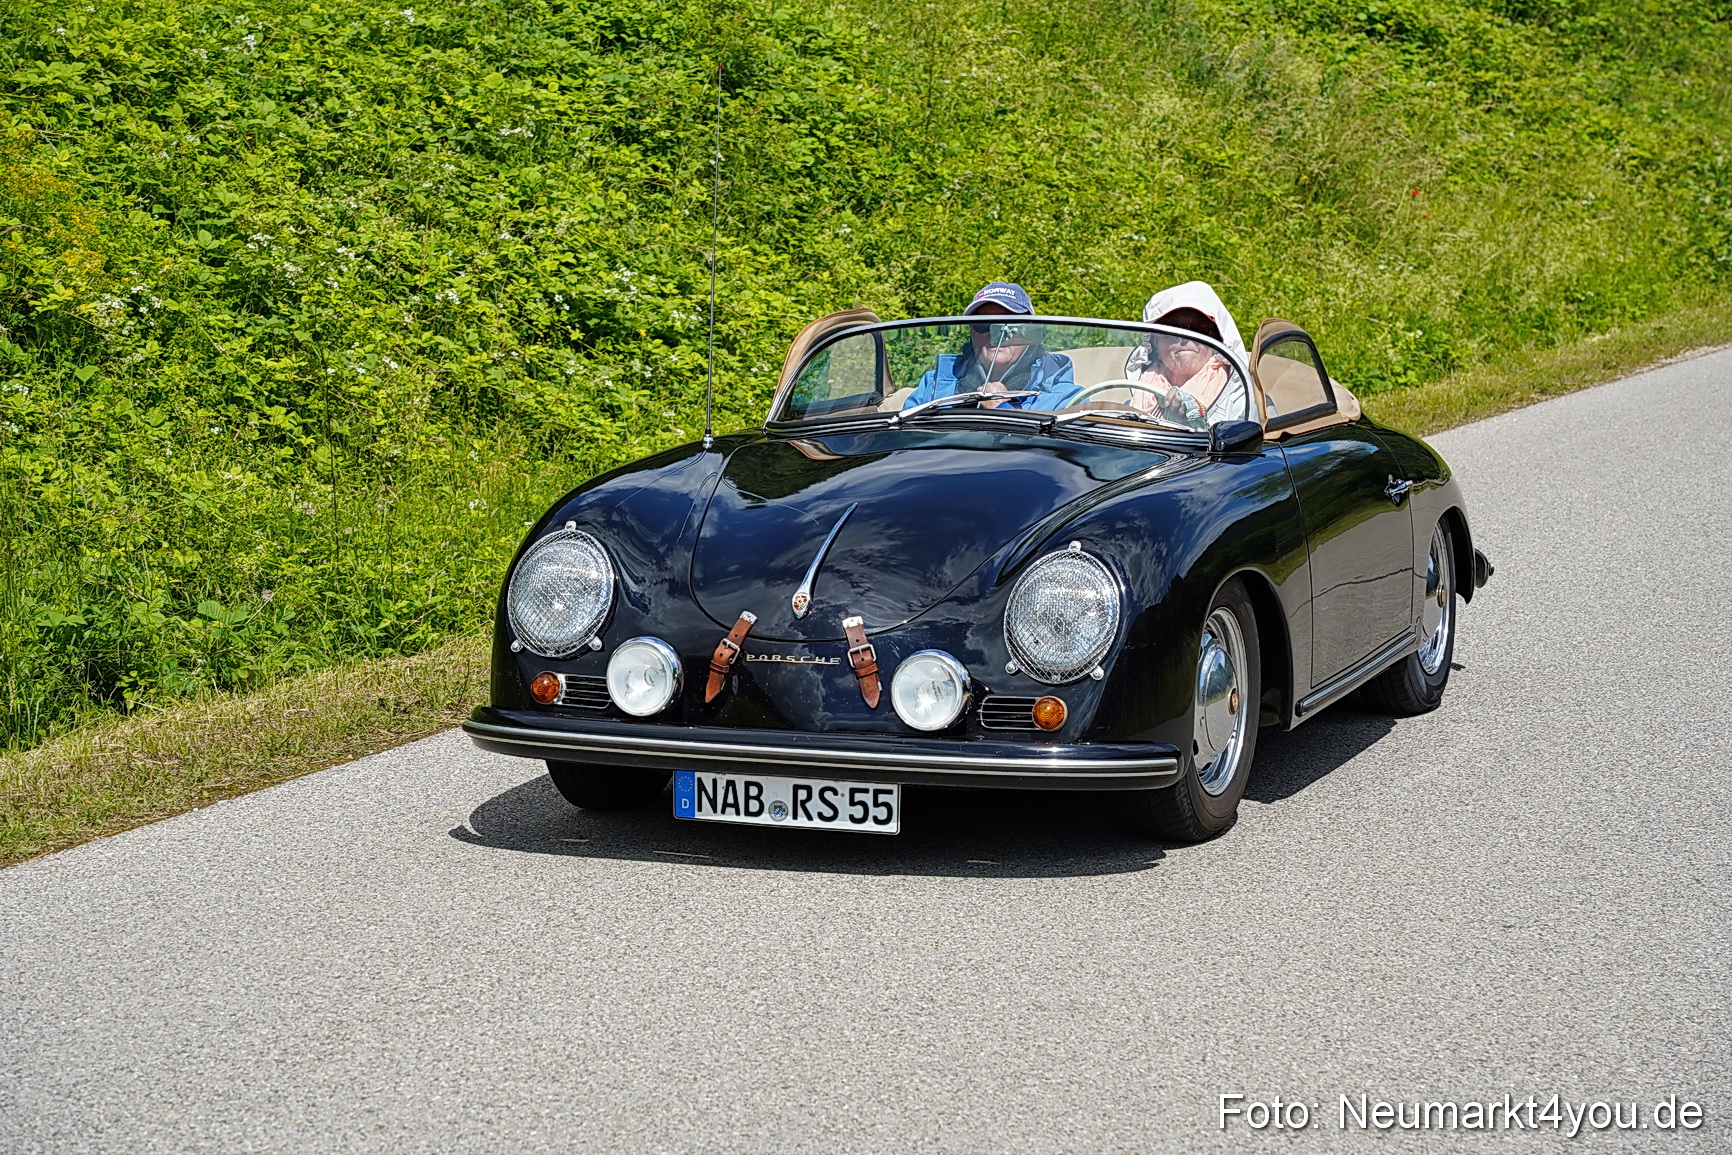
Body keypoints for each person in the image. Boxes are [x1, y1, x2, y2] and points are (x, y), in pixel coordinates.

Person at [902, 282, 1079, 412]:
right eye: (982, 324)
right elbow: (903, 440)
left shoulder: (1067, 397)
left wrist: (1003, 409)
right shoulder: (934, 383)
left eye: (1007, 325)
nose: (996, 335)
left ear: (1029, 330)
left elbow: (1059, 456)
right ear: (971, 332)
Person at [1121, 281, 1254, 428]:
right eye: (1171, 330)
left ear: (1218, 339)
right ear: (1154, 344)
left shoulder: (1245, 402)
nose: (1184, 338)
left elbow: (1248, 444)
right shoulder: (1137, 396)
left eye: (1198, 330)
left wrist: (1200, 423)